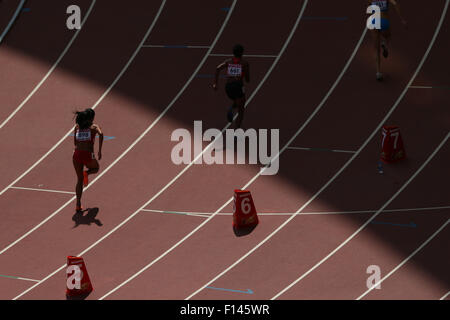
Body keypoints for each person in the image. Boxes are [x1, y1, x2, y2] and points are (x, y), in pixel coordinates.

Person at [72, 108, 103, 212]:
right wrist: (99, 150)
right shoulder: (94, 127)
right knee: (96, 168)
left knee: (79, 180)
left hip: (76, 155)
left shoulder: (77, 127)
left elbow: (75, 143)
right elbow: (101, 134)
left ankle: (78, 204)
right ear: (91, 118)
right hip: (88, 155)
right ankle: (87, 173)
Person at [212, 44, 250, 128]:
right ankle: (236, 131)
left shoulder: (229, 61)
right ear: (242, 53)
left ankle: (232, 108)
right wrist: (245, 76)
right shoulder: (244, 63)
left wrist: (215, 83)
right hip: (238, 86)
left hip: (228, 87)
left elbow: (218, 68)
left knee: (237, 100)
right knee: (241, 110)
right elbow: (247, 79)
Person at [368, 0, 407, 80]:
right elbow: (395, 4)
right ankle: (385, 44)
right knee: (388, 36)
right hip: (383, 21)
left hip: (374, 22)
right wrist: (402, 19)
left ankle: (378, 72)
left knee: (376, 48)